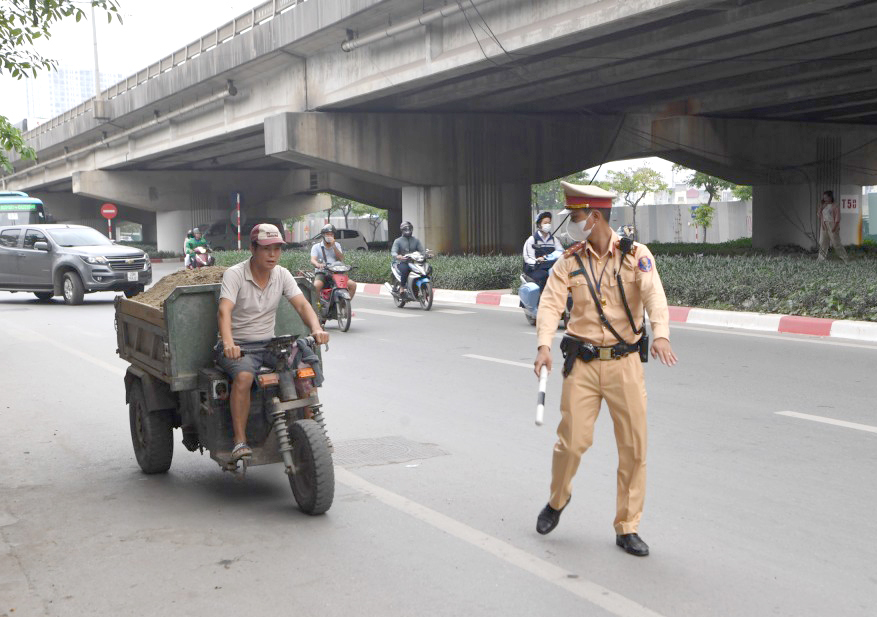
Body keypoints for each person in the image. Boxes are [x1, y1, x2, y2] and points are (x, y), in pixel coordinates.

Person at [533, 181, 678, 557]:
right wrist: (544, 345)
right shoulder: (570, 261)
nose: (571, 224)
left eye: (576, 217)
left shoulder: (636, 256)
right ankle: (557, 499)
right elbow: (550, 304)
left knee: (634, 447)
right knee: (572, 442)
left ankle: (627, 527)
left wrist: (660, 334)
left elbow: (653, 295)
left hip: (625, 364)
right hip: (581, 364)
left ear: (594, 217)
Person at [217, 223, 329, 461]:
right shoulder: (235, 274)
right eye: (267, 249)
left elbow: (301, 304)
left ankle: (313, 431)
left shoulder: (282, 274)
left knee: (304, 369)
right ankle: (239, 441)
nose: (273, 255)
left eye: (277, 249)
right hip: (241, 347)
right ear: (252, 248)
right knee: (245, 377)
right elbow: (224, 311)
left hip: (269, 344)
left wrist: (316, 328)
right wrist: (229, 344)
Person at [309, 224, 357, 299]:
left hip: (336, 272)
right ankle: (317, 306)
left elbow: (341, 258)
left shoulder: (337, 245)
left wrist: (333, 246)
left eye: (331, 234)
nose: (329, 236)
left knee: (352, 285)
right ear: (323, 235)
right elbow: (313, 260)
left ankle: (344, 306)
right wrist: (317, 264)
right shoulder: (316, 247)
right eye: (327, 234)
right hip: (322, 271)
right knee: (316, 286)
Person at [522, 211, 564, 291]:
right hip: (535, 269)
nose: (547, 225)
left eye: (549, 223)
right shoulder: (532, 239)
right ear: (539, 224)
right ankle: (542, 299)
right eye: (545, 223)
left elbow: (561, 252)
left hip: (551, 267)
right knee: (544, 276)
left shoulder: (554, 240)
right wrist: (537, 260)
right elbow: (527, 258)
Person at [391, 221, 426, 291]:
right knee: (405, 270)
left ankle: (424, 285)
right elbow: (393, 252)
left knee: (428, 268)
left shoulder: (416, 241)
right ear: (402, 230)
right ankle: (402, 287)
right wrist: (398, 256)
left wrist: (427, 255)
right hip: (401, 262)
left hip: (414, 262)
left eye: (409, 229)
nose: (408, 231)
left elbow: (422, 251)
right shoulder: (397, 241)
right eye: (405, 229)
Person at [817, 190, 849, 263]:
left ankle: (845, 258)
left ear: (830, 197)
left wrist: (834, 227)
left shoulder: (835, 206)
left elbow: (837, 218)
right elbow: (819, 215)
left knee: (836, 243)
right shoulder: (823, 205)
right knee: (822, 242)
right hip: (824, 225)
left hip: (832, 225)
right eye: (824, 197)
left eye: (826, 197)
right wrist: (821, 208)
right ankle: (821, 259)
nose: (824, 199)